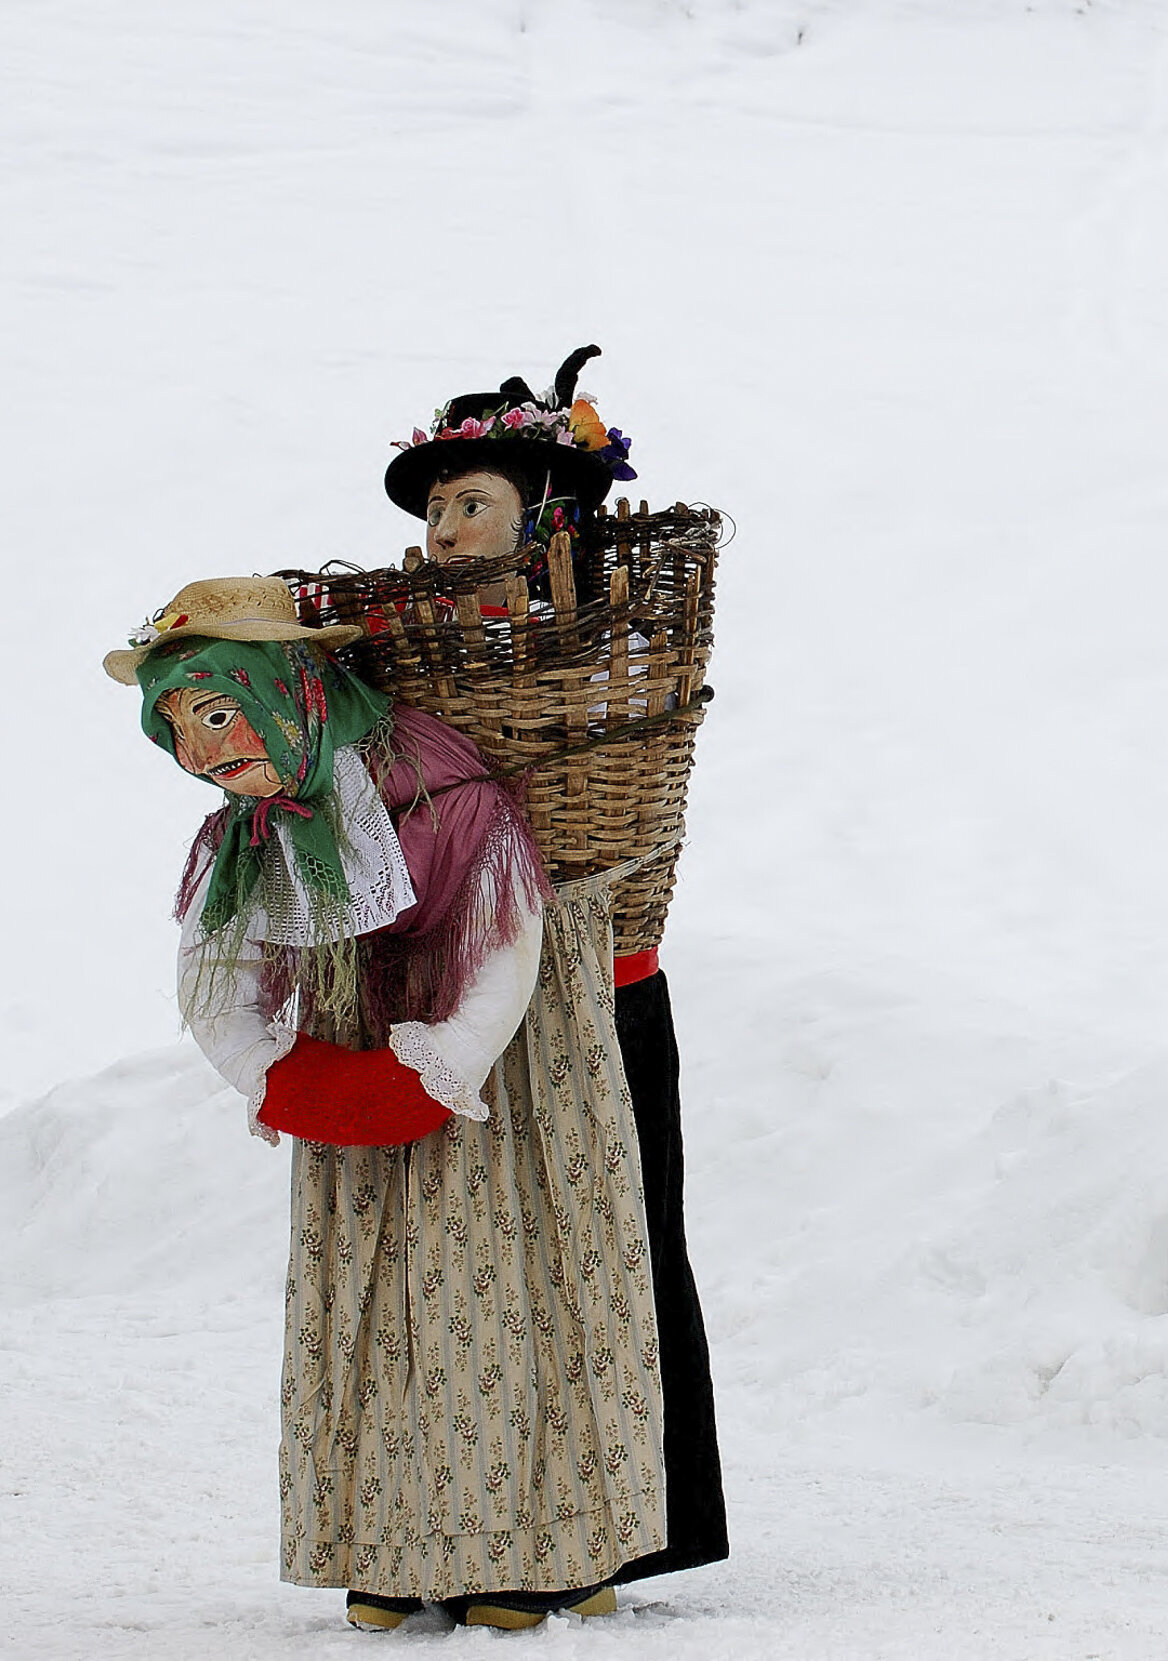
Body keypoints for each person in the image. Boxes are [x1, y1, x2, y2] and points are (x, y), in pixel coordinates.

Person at [106, 576, 668, 1632]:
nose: (199, 748)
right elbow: (223, 962)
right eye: (176, 726)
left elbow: (504, 932)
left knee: (506, 1286)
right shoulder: (248, 829)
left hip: (497, 1078)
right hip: (351, 1057)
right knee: (374, 1311)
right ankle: (392, 1545)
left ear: (288, 690)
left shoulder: (440, 788)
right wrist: (278, 1069)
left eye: (215, 712)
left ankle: (536, 1546)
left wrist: (448, 1057)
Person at [383, 348, 730, 1589]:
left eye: (471, 500)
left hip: (602, 979)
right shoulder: (407, 660)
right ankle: (453, 1520)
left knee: (616, 1246)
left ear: (549, 516)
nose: (441, 528)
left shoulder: (607, 643)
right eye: (433, 508)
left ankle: (622, 1520)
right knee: (471, 1264)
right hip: (462, 992)